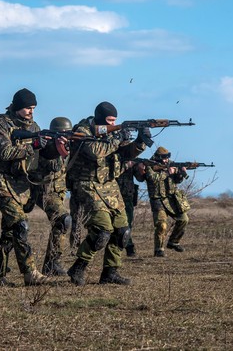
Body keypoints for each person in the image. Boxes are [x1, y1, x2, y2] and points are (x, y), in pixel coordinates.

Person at [66, 102, 148, 286]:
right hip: (86, 184)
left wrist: (140, 142)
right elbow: (95, 152)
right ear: (101, 118)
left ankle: (110, 272)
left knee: (122, 231)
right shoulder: (83, 130)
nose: (113, 123)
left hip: (109, 185)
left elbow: (127, 153)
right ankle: (78, 267)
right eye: (110, 121)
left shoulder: (112, 133)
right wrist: (117, 137)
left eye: (115, 121)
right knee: (102, 231)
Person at [0, 88, 49, 286]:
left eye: (33, 108)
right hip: (0, 181)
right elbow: (5, 152)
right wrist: (33, 146)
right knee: (21, 224)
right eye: (28, 108)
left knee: (10, 232)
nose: (31, 112)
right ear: (18, 106)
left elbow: (37, 158)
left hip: (20, 184)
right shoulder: (1, 123)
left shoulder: (34, 126)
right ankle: (30, 273)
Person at [28, 117, 72, 276]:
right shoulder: (46, 147)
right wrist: (59, 147)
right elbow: (55, 165)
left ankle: (52, 263)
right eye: (63, 133)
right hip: (43, 191)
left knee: (61, 223)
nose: (66, 136)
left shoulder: (66, 144)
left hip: (58, 191)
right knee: (62, 219)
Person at [136, 146, 190, 257]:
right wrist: (167, 173)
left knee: (184, 219)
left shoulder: (172, 164)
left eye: (167, 157)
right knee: (161, 224)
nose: (166, 160)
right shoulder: (149, 164)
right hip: (158, 199)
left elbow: (178, 181)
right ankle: (159, 250)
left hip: (172, 199)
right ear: (158, 157)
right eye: (164, 158)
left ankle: (173, 242)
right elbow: (152, 178)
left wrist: (180, 172)